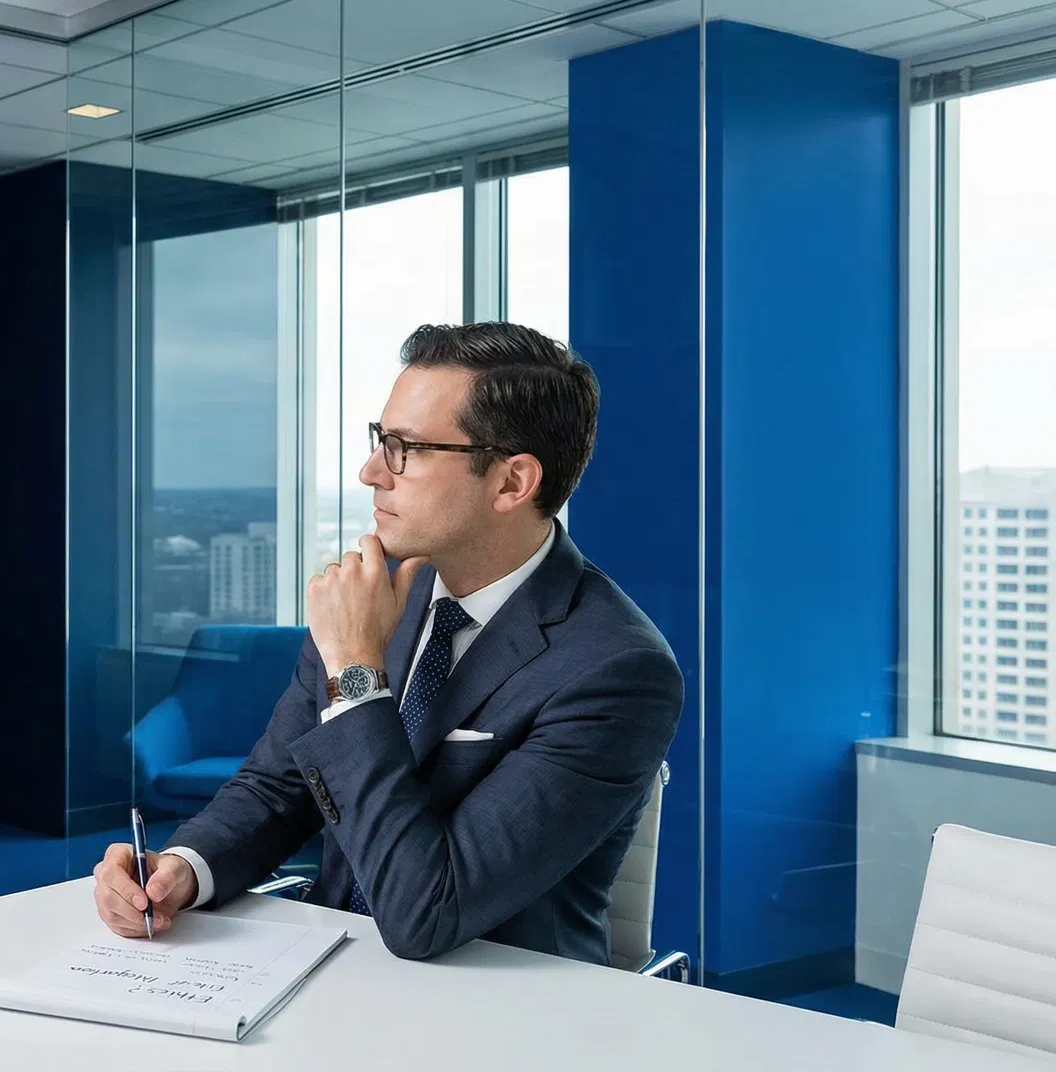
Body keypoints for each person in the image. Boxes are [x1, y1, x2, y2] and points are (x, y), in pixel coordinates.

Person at [92, 321, 683, 964]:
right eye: (381, 439)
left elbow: (429, 912)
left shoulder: (617, 669)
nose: (371, 471)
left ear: (512, 483)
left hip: (501, 1010)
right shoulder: (381, 597)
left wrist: (353, 670)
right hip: (330, 971)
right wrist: (184, 867)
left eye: (405, 448)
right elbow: (279, 787)